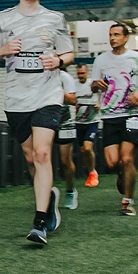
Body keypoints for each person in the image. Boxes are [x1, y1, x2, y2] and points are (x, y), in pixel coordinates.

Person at [0, 0, 74, 245]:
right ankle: (49, 197)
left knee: (43, 153)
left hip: (47, 95)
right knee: (31, 158)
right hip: (16, 98)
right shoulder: (3, 18)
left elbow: (69, 53)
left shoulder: (55, 19)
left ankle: (39, 222)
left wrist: (58, 60)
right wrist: (2, 50)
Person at [90, 23, 138, 216]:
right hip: (109, 116)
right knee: (113, 163)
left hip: (131, 115)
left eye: (117, 35)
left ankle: (128, 202)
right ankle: (122, 175)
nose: (112, 38)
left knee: (127, 158)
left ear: (126, 37)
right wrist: (97, 84)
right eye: (110, 35)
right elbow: (92, 86)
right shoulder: (101, 59)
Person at [72, 62, 100, 188]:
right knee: (83, 150)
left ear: (87, 72)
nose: (80, 76)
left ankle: (93, 172)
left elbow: (103, 96)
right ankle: (90, 171)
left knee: (88, 148)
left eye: (82, 73)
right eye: (79, 73)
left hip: (91, 122)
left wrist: (99, 105)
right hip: (78, 122)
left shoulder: (93, 84)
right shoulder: (73, 84)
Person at [56, 65, 80, 211]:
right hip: (45, 120)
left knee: (65, 161)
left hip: (64, 121)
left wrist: (58, 91)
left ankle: (70, 191)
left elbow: (73, 100)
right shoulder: (39, 76)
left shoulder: (65, 77)